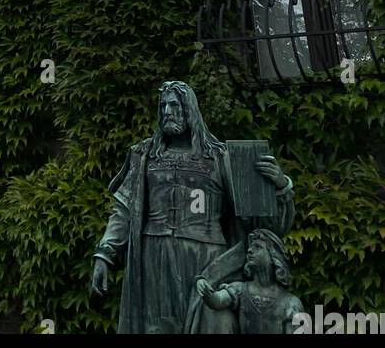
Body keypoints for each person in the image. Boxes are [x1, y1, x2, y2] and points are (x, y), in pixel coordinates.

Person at [90, 80, 294, 334]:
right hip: (154, 256)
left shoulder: (221, 158)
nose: (167, 112)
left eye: (174, 106)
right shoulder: (146, 156)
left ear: (190, 109)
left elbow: (262, 224)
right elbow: (123, 210)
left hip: (208, 260)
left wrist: (281, 186)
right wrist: (104, 255)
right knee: (157, 329)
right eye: (163, 106)